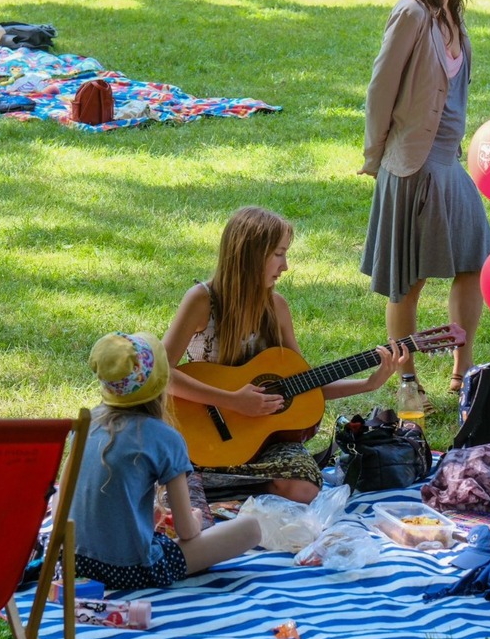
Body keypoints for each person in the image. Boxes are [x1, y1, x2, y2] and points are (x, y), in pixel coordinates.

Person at [163, 206, 410, 504]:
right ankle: (210, 483)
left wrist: (369, 384)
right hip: (202, 434)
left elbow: (303, 385)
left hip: (261, 441)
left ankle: (213, 489)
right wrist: (233, 401)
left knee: (305, 487)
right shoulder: (202, 300)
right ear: (251, 254)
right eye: (279, 254)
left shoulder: (276, 307)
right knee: (169, 470)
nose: (286, 266)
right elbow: (160, 375)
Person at [359, 0, 490, 406]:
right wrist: (376, 157)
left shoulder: (451, 13)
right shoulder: (412, 13)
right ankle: (408, 378)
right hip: (412, 164)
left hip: (447, 162)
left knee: (475, 261)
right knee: (408, 281)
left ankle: (463, 375)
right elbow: (380, 92)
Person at [71, 331, 261, 590]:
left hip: (75, 561)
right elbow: (187, 532)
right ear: (161, 382)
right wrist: (194, 517)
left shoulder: (87, 421)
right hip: (131, 570)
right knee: (250, 528)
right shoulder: (166, 438)